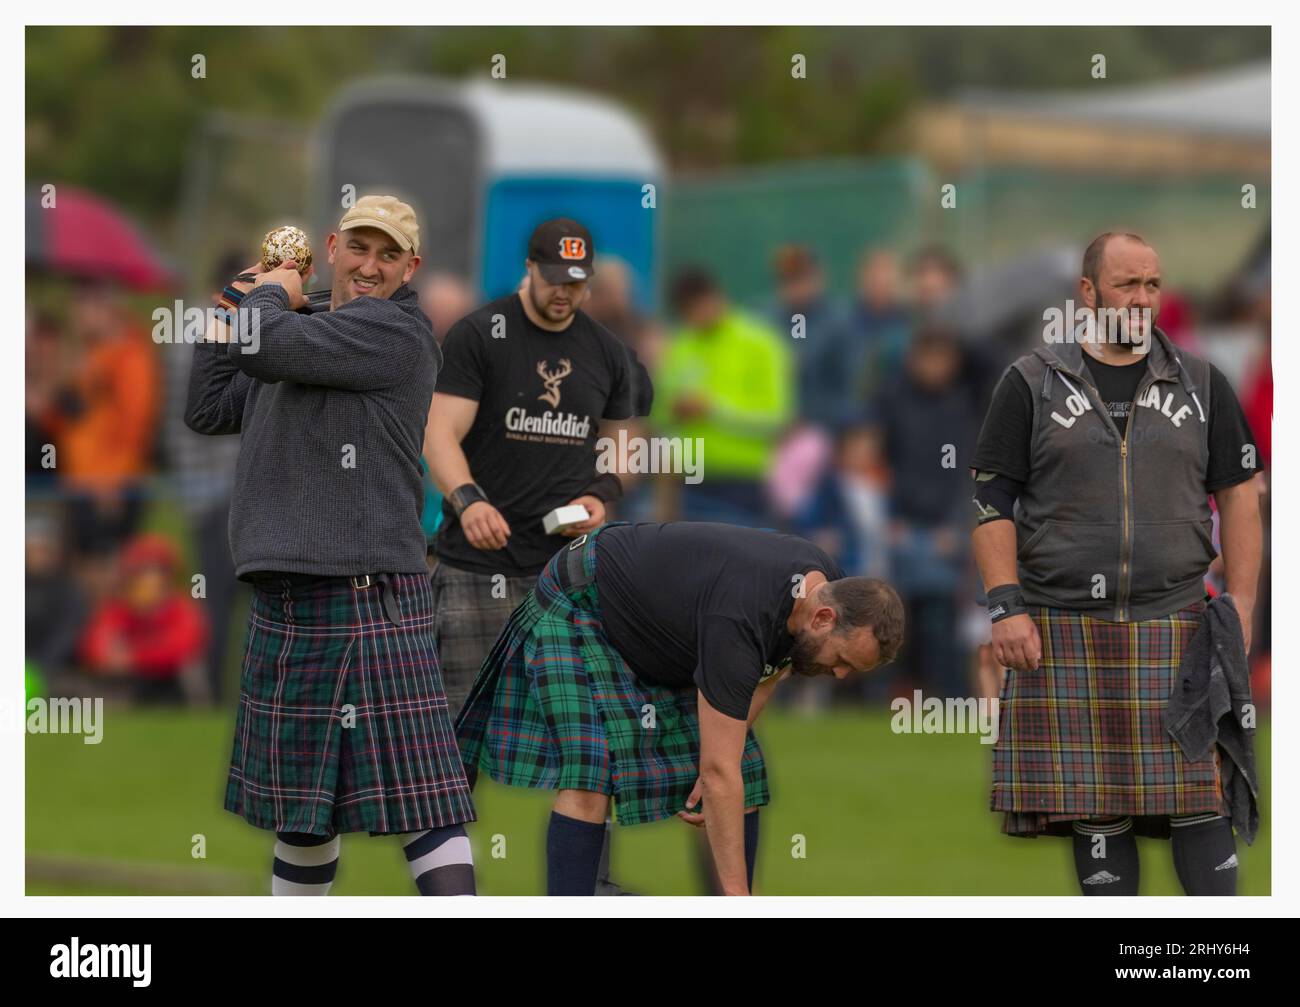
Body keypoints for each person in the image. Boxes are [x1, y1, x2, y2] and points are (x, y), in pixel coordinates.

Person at [185, 195, 476, 896]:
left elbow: (265, 344)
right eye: (359, 249)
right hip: (292, 594)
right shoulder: (300, 323)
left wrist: (269, 300)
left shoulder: (397, 333)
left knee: (423, 801)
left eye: (388, 254)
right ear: (332, 247)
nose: (370, 266)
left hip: (365, 588)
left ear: (411, 267)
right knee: (303, 812)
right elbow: (207, 404)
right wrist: (233, 302)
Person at [970, 231, 1263, 896]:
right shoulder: (1031, 383)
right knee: (1097, 807)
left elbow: (1241, 495)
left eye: (1153, 285)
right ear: (1087, 293)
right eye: (1128, 284)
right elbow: (990, 504)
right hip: (1066, 622)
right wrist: (1005, 603)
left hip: (1178, 621)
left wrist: (1243, 603)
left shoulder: (1203, 383)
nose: (1142, 298)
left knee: (1200, 795)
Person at [456, 521, 904, 895]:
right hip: (580, 600)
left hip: (659, 622)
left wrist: (718, 765)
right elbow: (718, 767)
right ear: (823, 619)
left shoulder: (828, 586)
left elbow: (772, 670)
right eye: (843, 661)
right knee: (589, 771)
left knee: (741, 764)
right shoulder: (740, 618)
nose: (841, 675)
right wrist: (737, 893)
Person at [654, 268, 793, 526]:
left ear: (716, 297)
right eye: (688, 314)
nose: (696, 318)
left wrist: (713, 410)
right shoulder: (682, 343)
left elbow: (776, 420)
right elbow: (660, 413)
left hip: (742, 478)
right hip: (691, 479)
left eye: (699, 308)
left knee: (741, 561)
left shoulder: (761, 343)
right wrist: (675, 410)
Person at [79, 533, 208, 705]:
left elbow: (184, 646)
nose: (149, 582)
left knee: (192, 671)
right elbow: (96, 643)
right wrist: (110, 657)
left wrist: (136, 656)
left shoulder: (182, 608)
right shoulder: (118, 608)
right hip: (128, 684)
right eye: (142, 573)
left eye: (156, 572)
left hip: (171, 684)